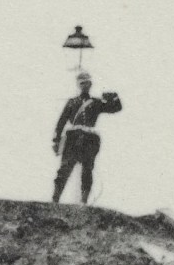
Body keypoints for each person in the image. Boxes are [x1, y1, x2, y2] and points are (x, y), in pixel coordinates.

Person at [51, 72, 122, 204]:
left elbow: (116, 108)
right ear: (79, 85)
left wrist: (114, 96)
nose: (84, 85)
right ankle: (55, 198)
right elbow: (61, 122)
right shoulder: (72, 102)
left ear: (90, 84)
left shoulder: (95, 102)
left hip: (89, 140)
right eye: (82, 83)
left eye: (87, 83)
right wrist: (56, 140)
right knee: (64, 169)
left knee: (87, 170)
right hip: (72, 139)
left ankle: (83, 201)